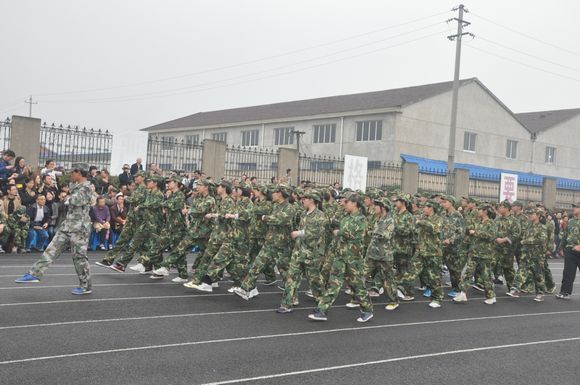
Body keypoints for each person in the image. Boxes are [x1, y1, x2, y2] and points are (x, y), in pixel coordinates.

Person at [15, 168, 94, 296]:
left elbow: (74, 201)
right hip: (67, 226)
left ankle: (85, 286)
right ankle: (34, 274)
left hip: (79, 229)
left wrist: (69, 195)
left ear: (79, 173)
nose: (70, 176)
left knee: (79, 258)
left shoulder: (87, 187)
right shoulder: (77, 186)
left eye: (72, 173)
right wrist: (69, 194)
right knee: (51, 249)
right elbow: (67, 200)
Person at [308, 194, 373, 323]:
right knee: (334, 283)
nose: (344, 204)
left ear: (355, 203)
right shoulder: (346, 217)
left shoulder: (361, 219)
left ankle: (367, 310)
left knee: (357, 285)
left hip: (353, 258)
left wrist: (339, 232)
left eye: (347, 201)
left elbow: (353, 234)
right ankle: (322, 310)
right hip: (341, 256)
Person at [277, 191, 327, 313]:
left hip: (312, 253)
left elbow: (317, 233)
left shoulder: (320, 215)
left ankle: (323, 301)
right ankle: (287, 304)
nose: (302, 200)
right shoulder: (304, 213)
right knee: (291, 276)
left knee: (314, 280)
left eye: (305, 198)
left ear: (312, 200)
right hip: (299, 251)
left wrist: (300, 233)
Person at [454, 204, 498, 304]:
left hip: (485, 254)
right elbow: (468, 230)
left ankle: (491, 296)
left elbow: (491, 236)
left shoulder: (491, 223)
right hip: (474, 253)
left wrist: (476, 232)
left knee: (486, 276)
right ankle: (462, 293)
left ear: (486, 211)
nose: (478, 211)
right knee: (468, 274)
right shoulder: (477, 222)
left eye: (480, 210)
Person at [556, 203, 580, 300]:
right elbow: (566, 236)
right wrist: (561, 248)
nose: (574, 209)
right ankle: (565, 292)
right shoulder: (571, 221)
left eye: (576, 207)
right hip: (570, 250)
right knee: (568, 272)